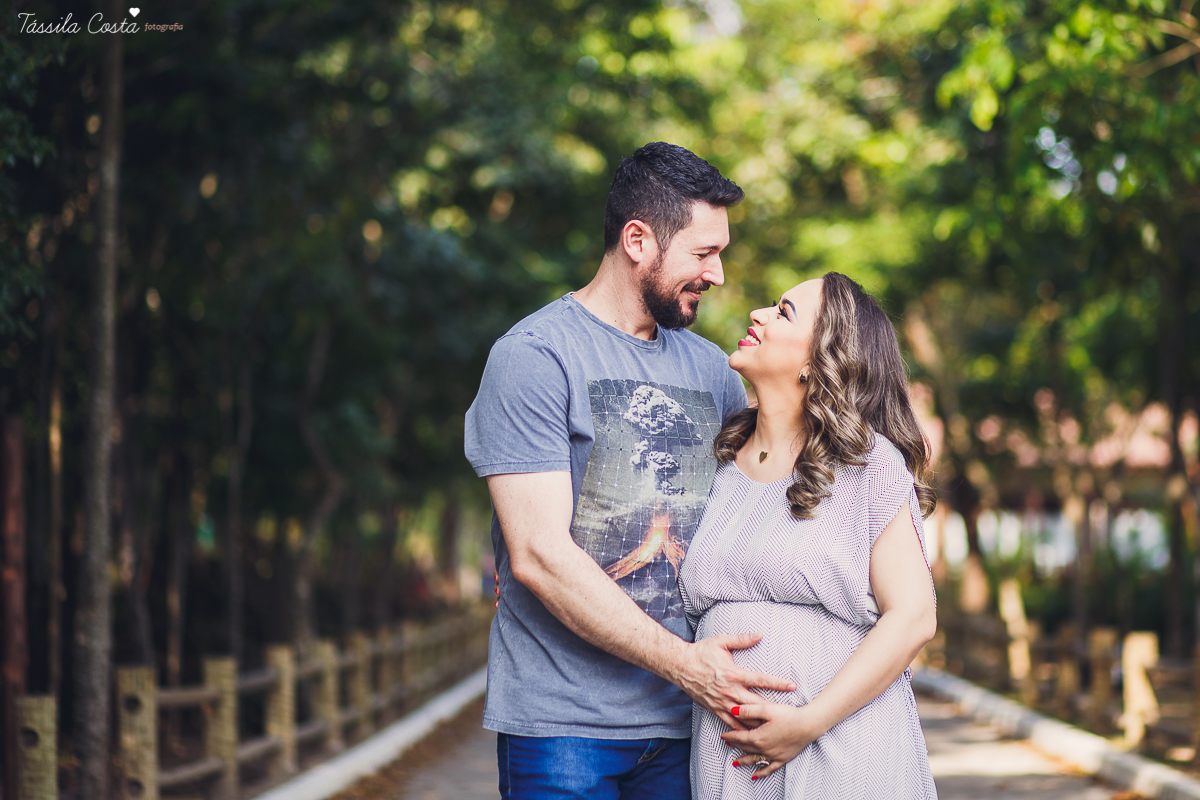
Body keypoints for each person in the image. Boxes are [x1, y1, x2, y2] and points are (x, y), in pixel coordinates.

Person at [464, 142, 795, 799]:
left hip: (687, 729)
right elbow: (537, 555)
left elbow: (751, 526)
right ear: (638, 240)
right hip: (564, 729)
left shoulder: (712, 372)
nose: (720, 274)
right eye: (704, 254)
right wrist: (687, 666)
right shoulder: (535, 357)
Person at [679, 273, 939, 799]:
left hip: (842, 751)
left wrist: (809, 722)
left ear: (817, 360)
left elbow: (914, 616)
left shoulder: (867, 465)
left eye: (783, 311)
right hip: (730, 760)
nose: (758, 314)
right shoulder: (718, 465)